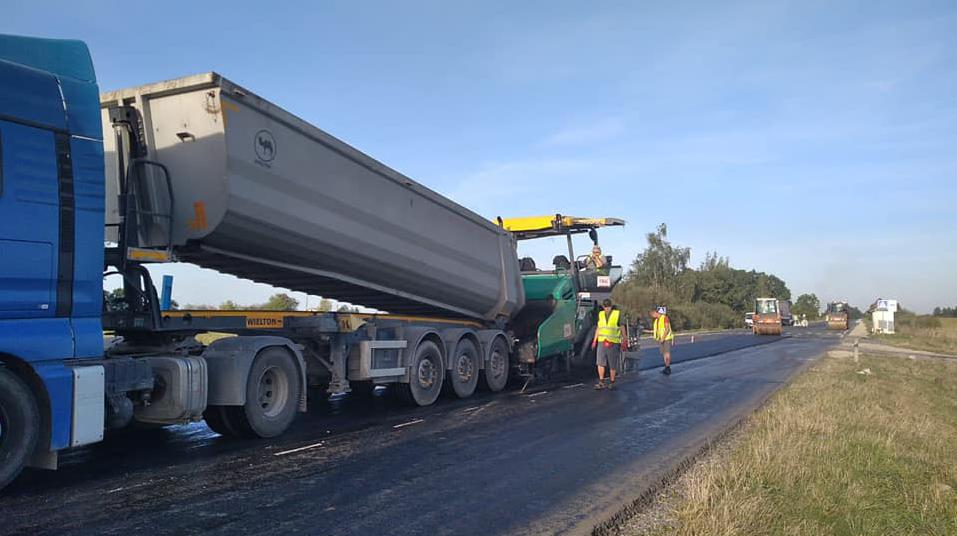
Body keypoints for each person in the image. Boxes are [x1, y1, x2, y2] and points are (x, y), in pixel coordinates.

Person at [592, 298, 628, 389]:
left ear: (611, 306)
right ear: (603, 307)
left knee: (612, 363)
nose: (607, 308)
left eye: (608, 306)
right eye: (605, 307)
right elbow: (599, 328)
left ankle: (612, 382)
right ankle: (601, 382)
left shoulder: (617, 314)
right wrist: (594, 340)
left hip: (613, 342)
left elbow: (622, 327)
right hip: (602, 341)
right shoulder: (600, 314)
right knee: (600, 362)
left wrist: (624, 339)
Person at [651, 306, 674, 375]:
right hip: (661, 339)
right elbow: (657, 330)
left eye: (653, 314)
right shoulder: (656, 321)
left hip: (666, 339)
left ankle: (668, 367)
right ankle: (666, 367)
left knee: (667, 353)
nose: (652, 316)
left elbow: (667, 329)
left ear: (656, 313)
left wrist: (663, 338)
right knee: (664, 353)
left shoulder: (664, 318)